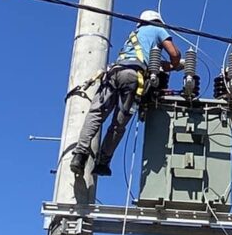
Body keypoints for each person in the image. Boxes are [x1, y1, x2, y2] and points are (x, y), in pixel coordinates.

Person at [69, 10, 182, 177]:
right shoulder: (157, 29)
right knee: (118, 124)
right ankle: (103, 161)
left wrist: (166, 65)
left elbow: (146, 60)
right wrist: (175, 64)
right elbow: (174, 54)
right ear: (157, 21)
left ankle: (80, 155)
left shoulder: (135, 35)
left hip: (114, 73)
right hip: (133, 78)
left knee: (96, 114)